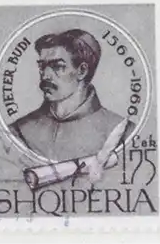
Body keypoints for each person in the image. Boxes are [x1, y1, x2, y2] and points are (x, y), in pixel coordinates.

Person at [13, 29, 123, 164]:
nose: (45, 75)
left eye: (57, 66)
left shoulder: (119, 130)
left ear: (82, 71)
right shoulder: (20, 130)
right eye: (42, 66)